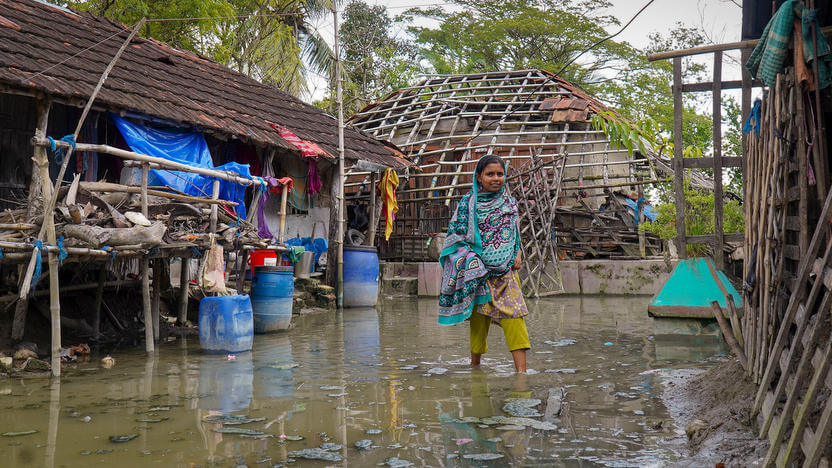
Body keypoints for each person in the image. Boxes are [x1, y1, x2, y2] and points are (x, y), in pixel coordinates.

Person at [437, 154, 530, 372]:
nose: (496, 178)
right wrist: (470, 261)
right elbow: (455, 237)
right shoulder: (467, 204)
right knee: (479, 326)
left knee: (515, 319)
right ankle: (475, 368)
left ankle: (522, 375)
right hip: (477, 276)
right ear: (479, 177)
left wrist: (517, 254)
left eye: (500, 174)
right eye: (490, 174)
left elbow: (514, 233)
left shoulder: (509, 202)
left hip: (505, 275)